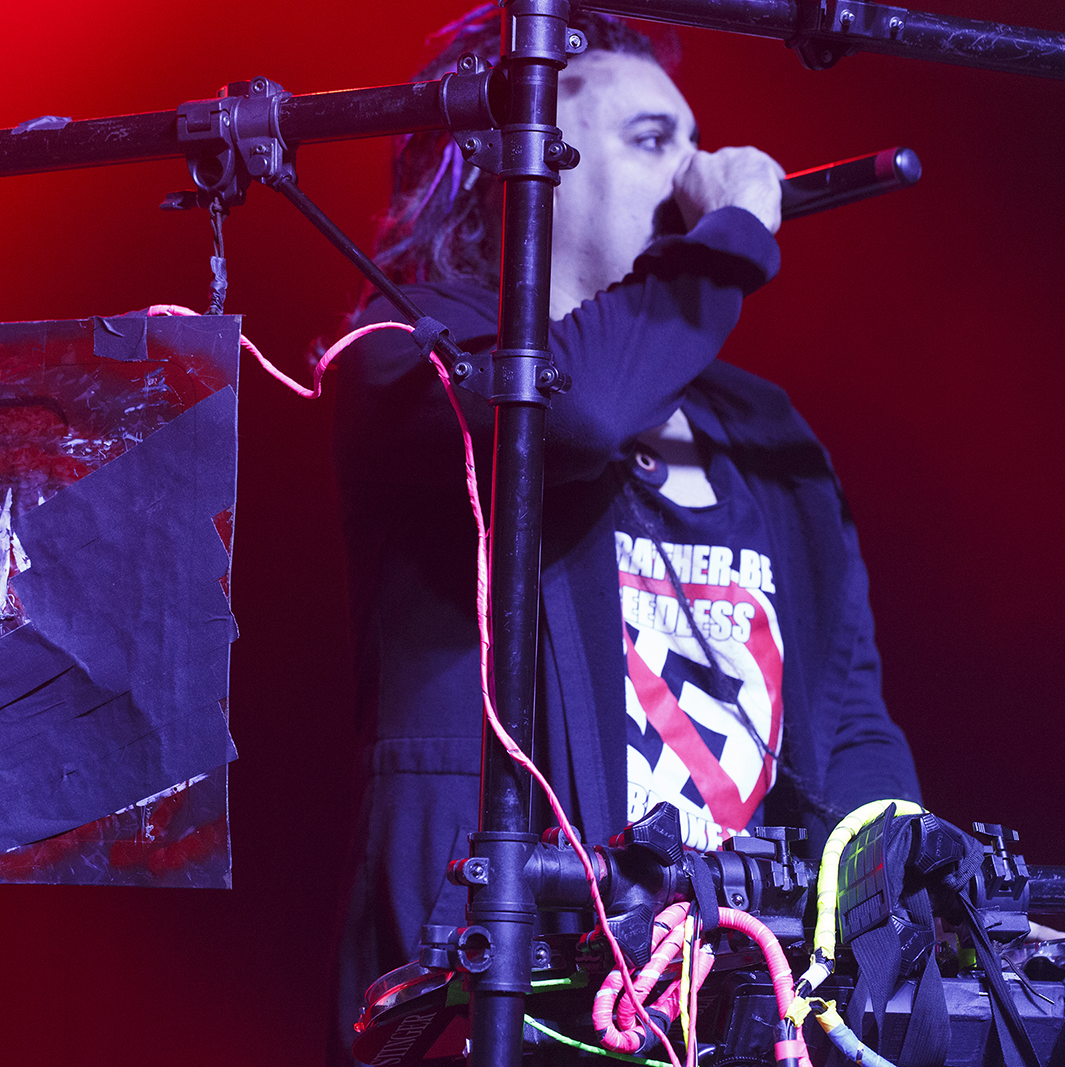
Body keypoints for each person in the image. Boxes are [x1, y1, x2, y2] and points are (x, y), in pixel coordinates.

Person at [330, 9, 919, 1060]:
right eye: (654, 141)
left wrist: (894, 926)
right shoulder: (402, 352)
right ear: (518, 166)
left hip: (744, 992)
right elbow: (576, 413)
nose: (697, 174)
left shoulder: (766, 427)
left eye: (696, 145)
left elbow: (849, 723)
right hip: (521, 986)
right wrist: (726, 243)